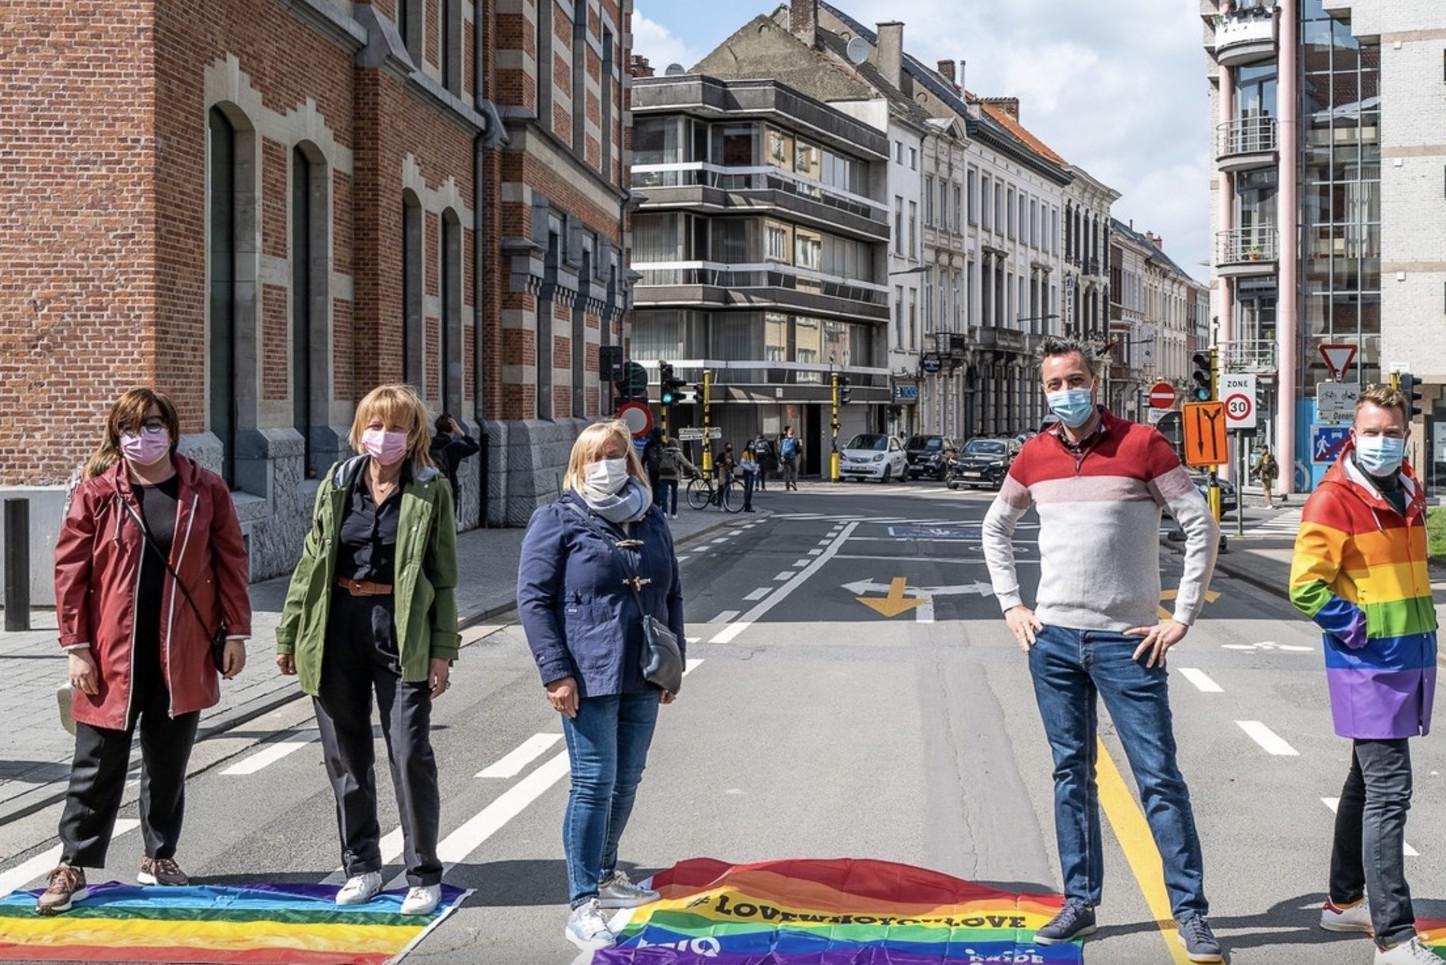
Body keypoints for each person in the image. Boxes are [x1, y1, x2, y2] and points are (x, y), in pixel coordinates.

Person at [981, 336, 1224, 962]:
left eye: (1076, 379)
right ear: (1044, 391)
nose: (1067, 392)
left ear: (1098, 379)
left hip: (1129, 643)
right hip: (1054, 641)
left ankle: (1191, 914)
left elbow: (1199, 523)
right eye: (1055, 384)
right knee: (1071, 775)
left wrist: (1183, 617)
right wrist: (1012, 605)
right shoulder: (1034, 455)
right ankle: (1080, 902)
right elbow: (995, 526)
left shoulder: (1143, 445)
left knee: (1159, 779)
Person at [40, 388, 251, 915]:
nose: (143, 436)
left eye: (153, 425)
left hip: (182, 648)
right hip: (113, 652)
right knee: (96, 761)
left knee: (168, 759)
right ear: (117, 436)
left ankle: (159, 855)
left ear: (172, 429)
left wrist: (238, 632)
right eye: (132, 428)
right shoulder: (97, 493)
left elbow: (230, 560)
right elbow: (70, 571)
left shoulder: (206, 489)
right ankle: (74, 862)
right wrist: (77, 646)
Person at [276, 384, 459, 917]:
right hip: (336, 626)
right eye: (376, 426)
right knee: (346, 757)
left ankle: (423, 873)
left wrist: (443, 652)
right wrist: (289, 633)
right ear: (360, 431)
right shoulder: (337, 484)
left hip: (400, 629)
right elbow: (311, 564)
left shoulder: (430, 490)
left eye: (397, 427)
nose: (385, 436)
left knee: (408, 751)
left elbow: (444, 579)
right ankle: (363, 865)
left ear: (414, 434)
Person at [516, 420, 684, 952]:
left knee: (628, 778)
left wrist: (673, 661)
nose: (607, 464)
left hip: (643, 670)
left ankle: (609, 875)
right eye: (595, 457)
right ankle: (582, 899)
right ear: (578, 464)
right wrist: (555, 671)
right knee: (593, 781)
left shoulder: (650, 517)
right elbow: (533, 600)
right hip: (586, 674)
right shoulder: (558, 519)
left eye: (616, 454)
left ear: (631, 461)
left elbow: (672, 592)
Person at [1289, 386, 1438, 965]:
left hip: (1407, 660)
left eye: (1391, 432)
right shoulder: (1332, 498)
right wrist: (1359, 628)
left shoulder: (1409, 490)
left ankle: (1343, 902)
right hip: (1369, 665)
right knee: (1389, 792)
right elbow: (1305, 585)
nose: (1381, 441)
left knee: (1363, 783)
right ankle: (1395, 937)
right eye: (1371, 431)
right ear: (1354, 433)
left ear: (1405, 436)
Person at [428, 412, 481, 506]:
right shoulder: (455, 446)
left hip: (430, 483)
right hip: (449, 484)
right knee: (449, 515)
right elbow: (475, 447)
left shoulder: (428, 443)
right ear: (452, 429)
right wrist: (461, 432)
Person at [656, 435, 697, 520]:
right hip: (674, 476)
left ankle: (664, 512)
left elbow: (657, 463)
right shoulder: (678, 453)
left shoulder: (663, 452)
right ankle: (674, 513)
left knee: (664, 494)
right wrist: (695, 469)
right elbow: (686, 463)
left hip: (663, 476)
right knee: (674, 494)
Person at [642, 427, 663, 499]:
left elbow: (644, 457)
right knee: (660, 486)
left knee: (654, 486)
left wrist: (642, 468)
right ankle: (660, 501)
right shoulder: (663, 444)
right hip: (661, 468)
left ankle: (654, 501)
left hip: (652, 468)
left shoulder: (649, 444)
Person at [779, 426, 801, 491]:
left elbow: (780, 450)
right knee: (794, 470)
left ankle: (787, 486)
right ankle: (793, 482)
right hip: (792, 457)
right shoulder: (795, 440)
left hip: (784, 458)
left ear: (787, 433)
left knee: (786, 472)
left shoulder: (783, 441)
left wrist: (781, 457)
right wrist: (796, 454)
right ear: (793, 433)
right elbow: (799, 449)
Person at [740, 443, 760, 513]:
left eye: (753, 444)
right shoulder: (745, 453)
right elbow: (742, 463)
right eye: (750, 444)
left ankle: (748, 504)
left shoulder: (753, 454)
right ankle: (747, 505)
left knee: (750, 490)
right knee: (748, 489)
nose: (752, 446)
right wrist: (750, 468)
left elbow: (755, 463)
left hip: (752, 473)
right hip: (747, 472)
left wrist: (756, 469)